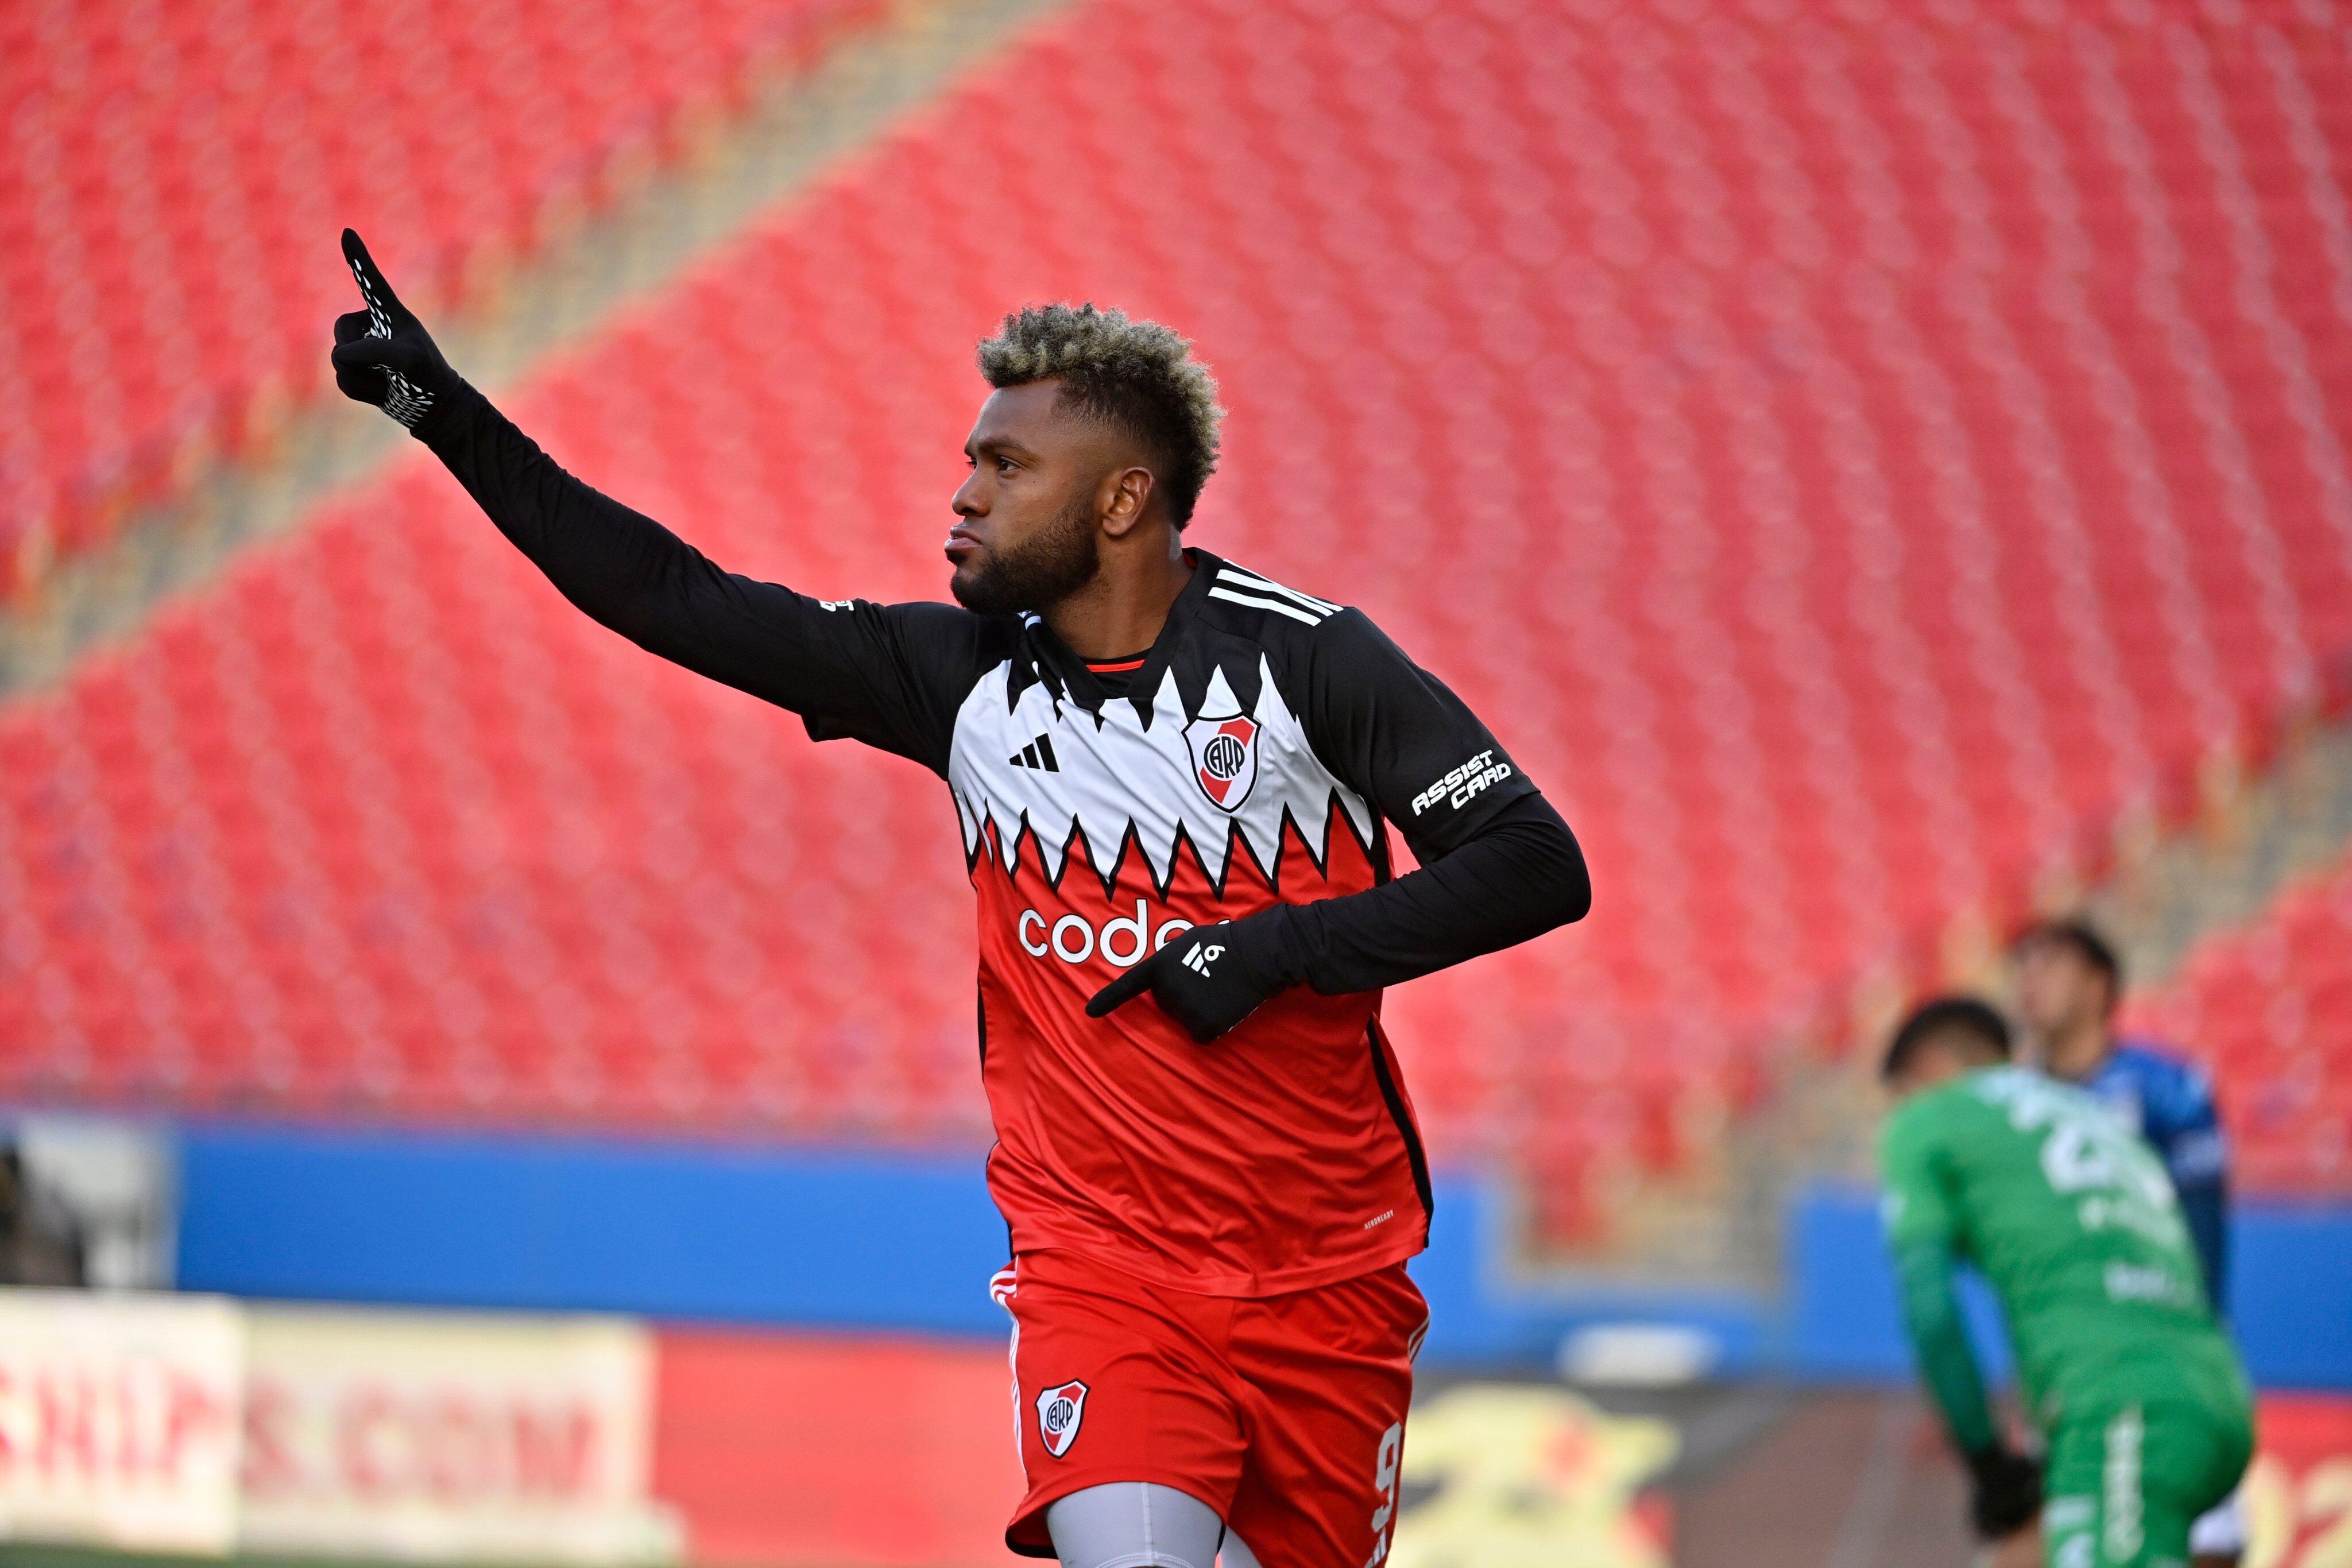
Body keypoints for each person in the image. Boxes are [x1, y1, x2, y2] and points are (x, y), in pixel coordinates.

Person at [329, 232, 1590, 1568]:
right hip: (1104, 1274)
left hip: (1328, 1287)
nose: (964, 495)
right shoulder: (953, 677)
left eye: (1005, 466)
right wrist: (443, 415)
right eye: (970, 462)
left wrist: (1273, 950)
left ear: (1120, 500)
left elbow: (1533, 861)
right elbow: (673, 599)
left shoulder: (1311, 665)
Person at [1878, 997, 2253, 1568]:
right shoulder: (2094, 1116)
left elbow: (1930, 1311)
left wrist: (1988, 1465)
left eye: (1897, 1095)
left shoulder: (1929, 1118)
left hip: (2117, 1407)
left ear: (1927, 1068)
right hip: (2215, 1396)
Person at [2013, 919, 2243, 1566]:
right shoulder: (2011, 1104)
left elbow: (2202, 1234)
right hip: (2064, 1373)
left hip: (2168, 1363)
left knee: (2203, 1544)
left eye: (2050, 962)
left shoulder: (2167, 1089)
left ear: (2099, 984)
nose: (2028, 980)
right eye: (2022, 965)